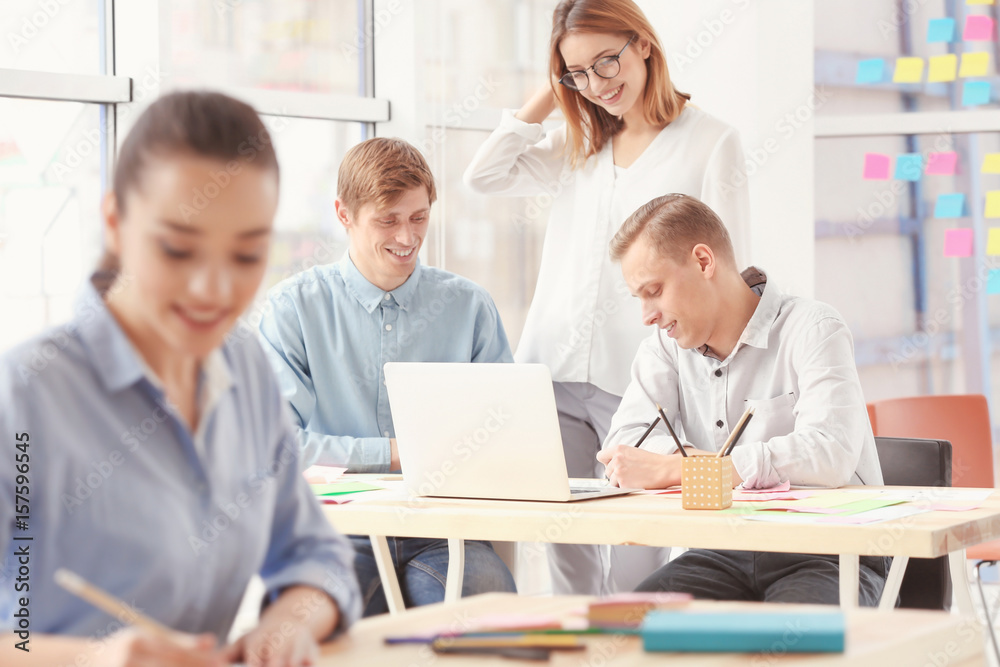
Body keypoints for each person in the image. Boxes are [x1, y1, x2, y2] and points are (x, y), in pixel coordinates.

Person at [0, 91, 360, 667]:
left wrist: (286, 624)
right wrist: (90, 660)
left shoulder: (245, 367)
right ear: (116, 222)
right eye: (177, 250)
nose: (213, 291)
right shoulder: (24, 395)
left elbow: (315, 555)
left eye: (245, 256)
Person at [463, 0, 751, 595]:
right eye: (578, 73)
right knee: (565, 545)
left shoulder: (710, 142)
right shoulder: (579, 141)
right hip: (553, 370)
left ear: (644, 44)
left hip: (641, 377)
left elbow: (727, 273)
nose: (597, 84)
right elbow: (483, 176)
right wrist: (551, 93)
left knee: (634, 553)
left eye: (607, 61)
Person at [258, 137, 516, 616]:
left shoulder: (468, 307)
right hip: (335, 533)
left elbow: (505, 432)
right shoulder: (294, 307)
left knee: (481, 612)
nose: (407, 236)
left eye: (419, 218)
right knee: (312, 619)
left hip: (444, 532)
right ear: (344, 214)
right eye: (388, 220)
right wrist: (397, 455)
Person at [599, 193, 887, 605]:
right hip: (721, 551)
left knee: (792, 644)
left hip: (828, 551)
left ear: (703, 261)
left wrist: (682, 469)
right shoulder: (663, 349)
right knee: (626, 630)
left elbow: (830, 452)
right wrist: (696, 467)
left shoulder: (813, 328)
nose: (647, 315)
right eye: (638, 297)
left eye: (655, 290)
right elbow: (625, 446)